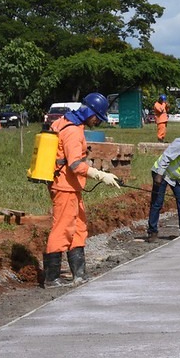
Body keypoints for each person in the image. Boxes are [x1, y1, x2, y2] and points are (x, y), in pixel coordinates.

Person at [43, 93, 121, 288]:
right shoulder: (73, 132)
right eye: (97, 117)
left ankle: (80, 274)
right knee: (62, 229)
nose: (97, 121)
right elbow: (75, 165)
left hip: (71, 186)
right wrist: (100, 175)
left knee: (78, 228)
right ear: (89, 112)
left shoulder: (64, 122)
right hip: (64, 187)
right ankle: (52, 278)